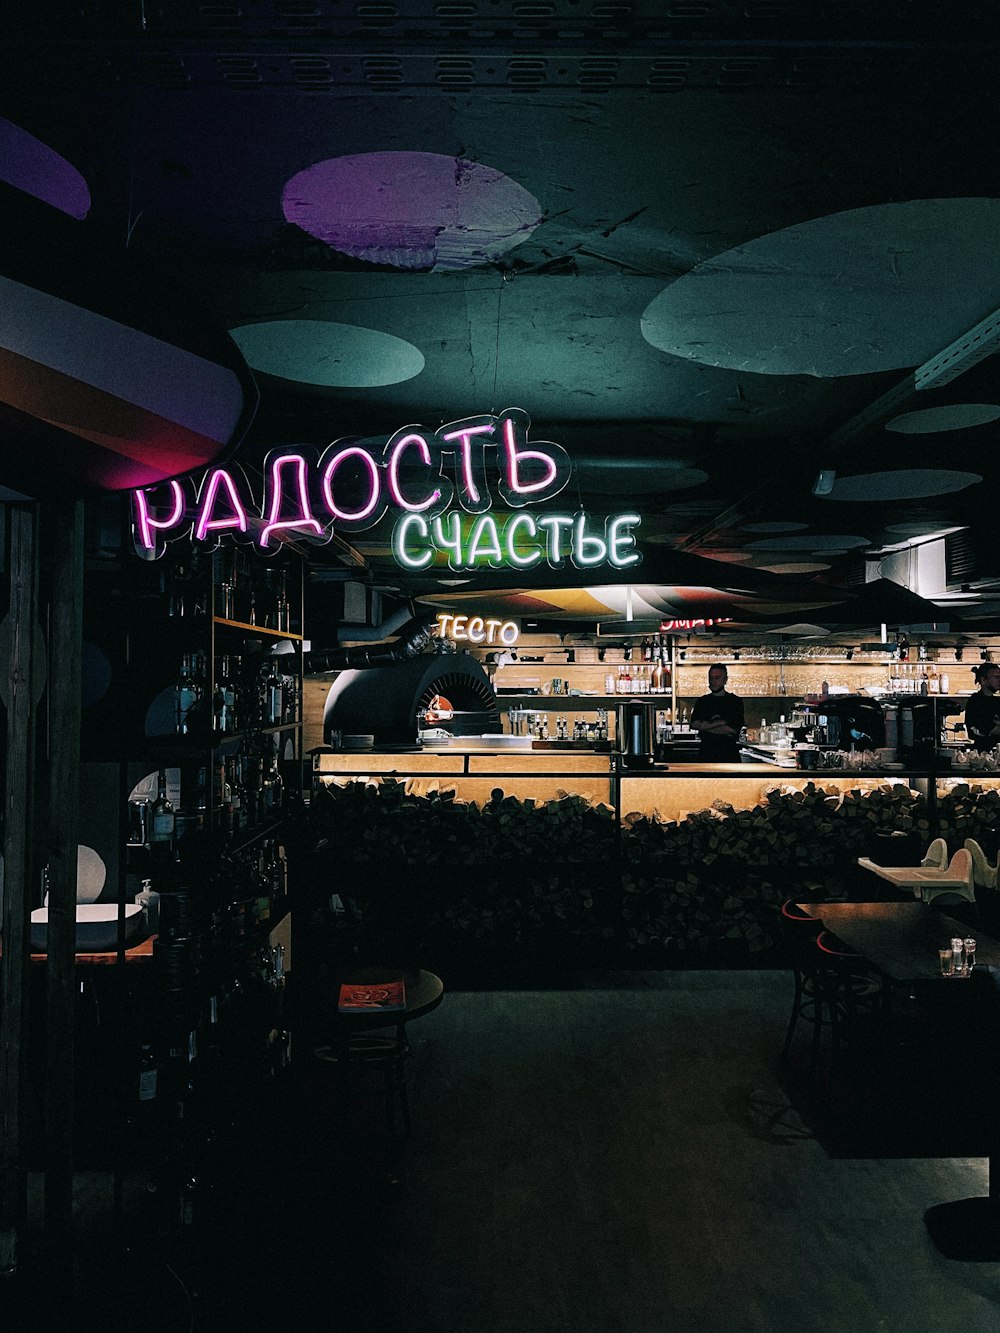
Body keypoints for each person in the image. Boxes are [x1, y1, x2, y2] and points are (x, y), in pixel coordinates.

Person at [690, 663, 745, 762]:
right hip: (706, 754)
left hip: (729, 754)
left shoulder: (734, 701)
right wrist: (720, 723)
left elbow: (732, 730)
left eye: (717, 678)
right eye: (711, 678)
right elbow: (694, 724)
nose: (713, 681)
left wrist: (706, 727)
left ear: (725, 680)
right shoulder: (702, 701)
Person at [964, 662, 1000, 750]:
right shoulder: (976, 701)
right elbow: (987, 728)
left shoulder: (997, 701)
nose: (999, 680)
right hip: (983, 752)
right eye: (996, 677)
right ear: (983, 680)